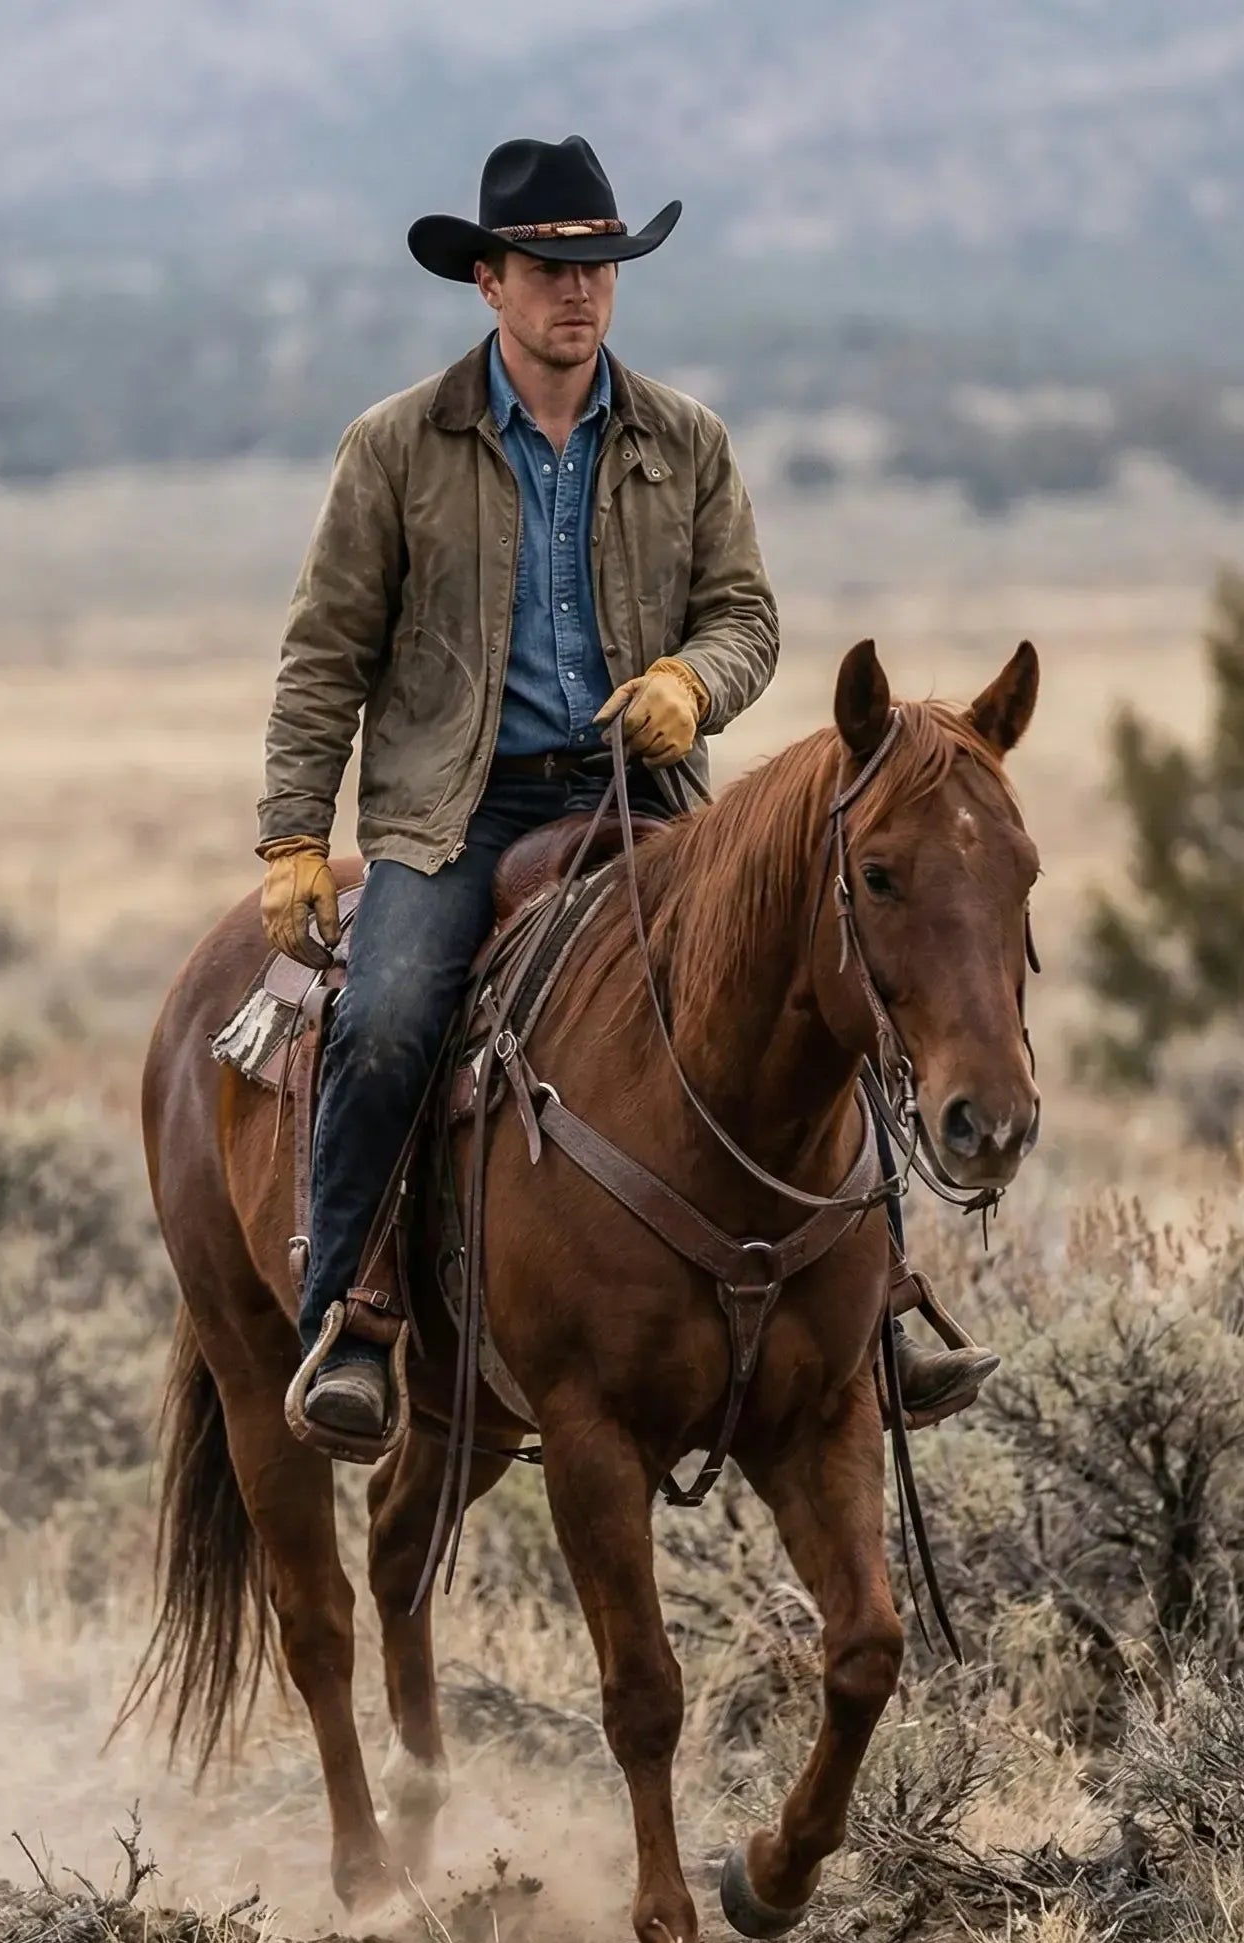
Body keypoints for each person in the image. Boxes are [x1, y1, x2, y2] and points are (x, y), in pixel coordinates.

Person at [257, 134, 988, 1446]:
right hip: (454, 813)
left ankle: (874, 1307)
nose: (575, 292)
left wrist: (692, 687)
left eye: (598, 266)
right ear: (488, 282)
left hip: (642, 798)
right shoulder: (396, 449)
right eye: (546, 267)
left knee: (825, 981)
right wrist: (294, 838)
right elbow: (327, 657)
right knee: (385, 1018)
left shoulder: (684, 441)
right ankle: (355, 1320)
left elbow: (747, 618)